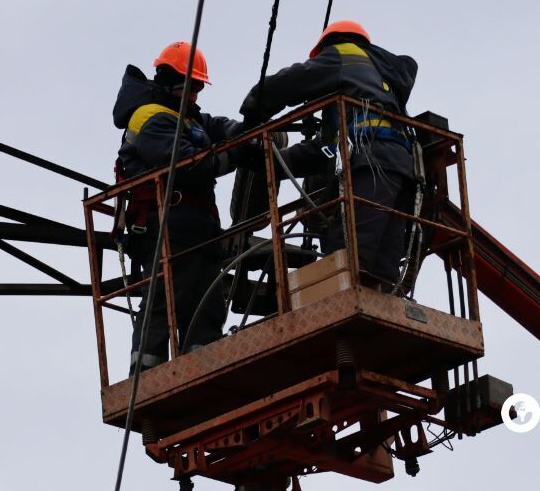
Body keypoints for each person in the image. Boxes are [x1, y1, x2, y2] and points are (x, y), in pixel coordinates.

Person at [238, 20, 418, 290]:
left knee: (349, 251)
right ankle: (377, 312)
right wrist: (276, 161)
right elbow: (326, 150)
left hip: (372, 164)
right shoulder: (373, 86)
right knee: (383, 262)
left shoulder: (344, 55)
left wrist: (253, 111)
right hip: (398, 169)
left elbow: (293, 81)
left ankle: (348, 309)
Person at [113, 41, 246, 373]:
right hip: (167, 225)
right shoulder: (149, 118)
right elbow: (186, 164)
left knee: (208, 304)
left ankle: (203, 372)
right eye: (192, 88)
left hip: (198, 228)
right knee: (165, 300)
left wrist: (247, 133)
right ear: (174, 83)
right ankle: (146, 377)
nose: (195, 97)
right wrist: (234, 154)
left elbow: (216, 126)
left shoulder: (188, 118)